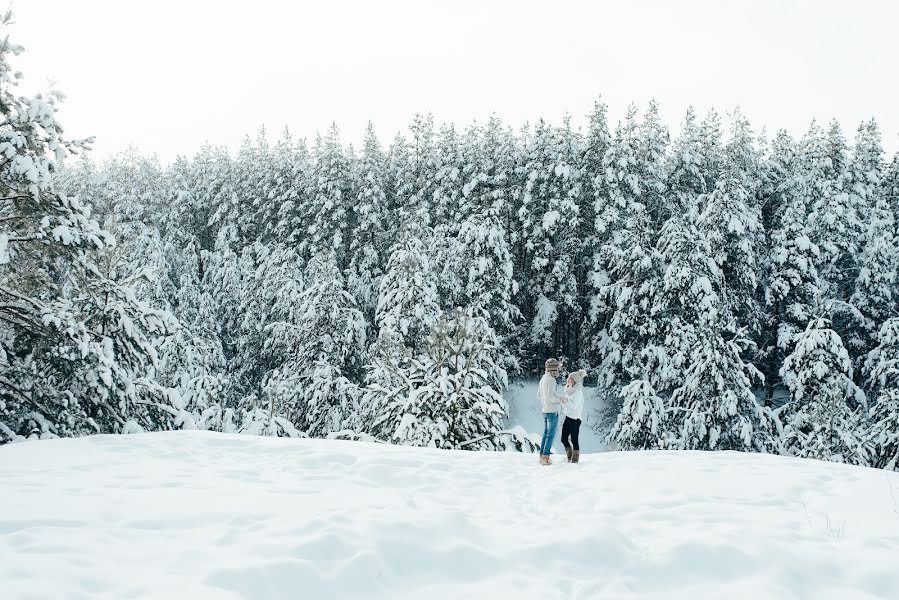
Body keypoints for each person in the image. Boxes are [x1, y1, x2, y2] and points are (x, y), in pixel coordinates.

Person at [537, 358, 566, 465]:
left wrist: (555, 396)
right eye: (558, 367)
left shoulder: (543, 379)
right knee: (551, 435)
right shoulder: (552, 380)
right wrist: (560, 400)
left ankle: (542, 455)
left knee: (546, 434)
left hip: (544, 410)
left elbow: (539, 395)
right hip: (552, 411)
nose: (558, 369)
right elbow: (551, 397)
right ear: (553, 368)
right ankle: (545, 458)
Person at [561, 369, 587, 463]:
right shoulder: (569, 391)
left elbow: (575, 406)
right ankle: (569, 456)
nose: (568, 381)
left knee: (574, 439)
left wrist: (566, 401)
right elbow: (567, 405)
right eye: (568, 379)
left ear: (575, 381)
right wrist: (563, 401)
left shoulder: (578, 392)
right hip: (568, 417)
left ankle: (575, 459)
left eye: (571, 379)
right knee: (563, 438)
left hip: (575, 419)